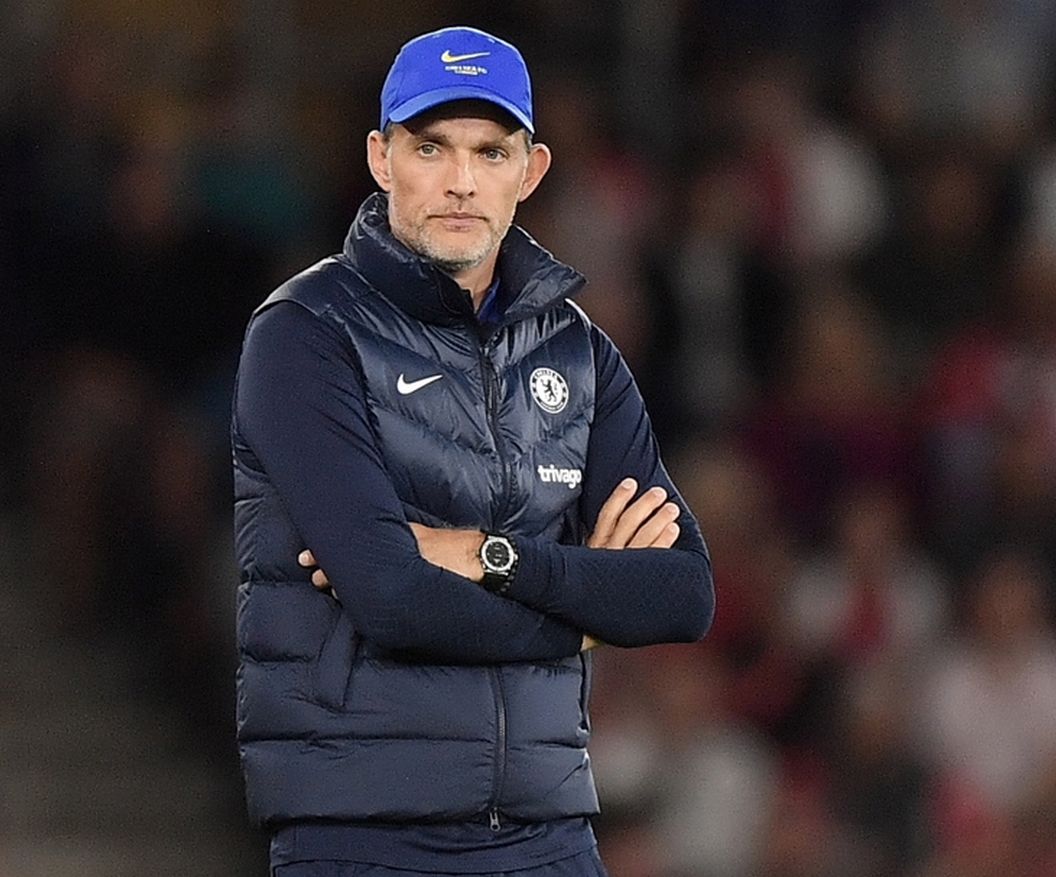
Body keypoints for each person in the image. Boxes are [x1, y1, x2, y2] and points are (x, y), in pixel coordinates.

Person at [230, 25, 715, 877]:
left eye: (491, 152)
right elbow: (393, 598)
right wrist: (586, 619)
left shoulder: (579, 351)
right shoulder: (304, 334)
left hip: (550, 830)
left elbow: (681, 594)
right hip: (366, 833)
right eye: (431, 146)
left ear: (531, 172)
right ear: (382, 160)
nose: (461, 181)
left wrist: (489, 557)